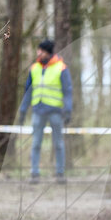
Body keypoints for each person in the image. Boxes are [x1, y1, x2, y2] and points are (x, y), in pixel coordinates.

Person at [18, 39, 72, 183]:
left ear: (47, 52)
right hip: (38, 111)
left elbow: (67, 91)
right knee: (36, 143)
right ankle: (34, 174)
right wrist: (23, 110)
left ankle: (60, 174)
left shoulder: (61, 67)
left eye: (40, 50)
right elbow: (28, 92)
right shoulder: (34, 68)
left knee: (58, 144)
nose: (38, 53)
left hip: (55, 112)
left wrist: (67, 110)